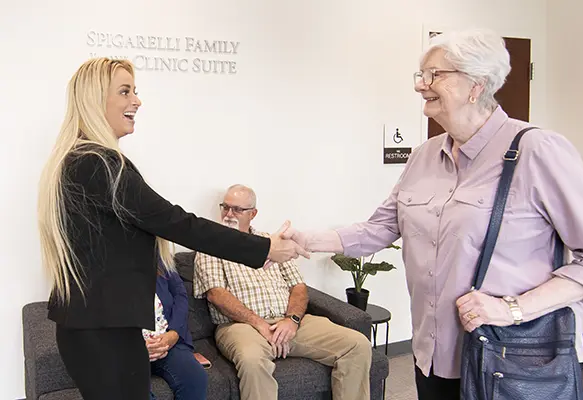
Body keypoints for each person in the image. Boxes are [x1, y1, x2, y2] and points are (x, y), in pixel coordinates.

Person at [284, 29, 583, 400]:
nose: (422, 85)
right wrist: (306, 240)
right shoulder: (423, 156)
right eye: (421, 74)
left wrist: (511, 309)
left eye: (435, 74)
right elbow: (382, 227)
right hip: (434, 356)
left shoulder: (538, 150)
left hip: (512, 358)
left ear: (476, 84)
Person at [37, 58, 308, 400]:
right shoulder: (98, 164)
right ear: (94, 99)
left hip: (103, 330)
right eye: (125, 91)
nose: (137, 100)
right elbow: (177, 223)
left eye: (135, 91)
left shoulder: (80, 161)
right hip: (103, 334)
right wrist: (264, 247)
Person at [194, 184, 372, 400]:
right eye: (226, 207)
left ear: (253, 214)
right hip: (241, 326)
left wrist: (292, 320)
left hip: (290, 322)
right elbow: (216, 295)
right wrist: (261, 325)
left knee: (357, 344)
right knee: (252, 360)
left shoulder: (273, 243)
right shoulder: (211, 246)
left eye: (237, 210)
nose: (229, 214)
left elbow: (298, 286)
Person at [145, 263, 208, 400]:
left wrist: (173, 333)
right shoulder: (101, 258)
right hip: (127, 347)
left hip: (168, 340)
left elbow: (180, 294)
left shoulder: (159, 257)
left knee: (195, 377)